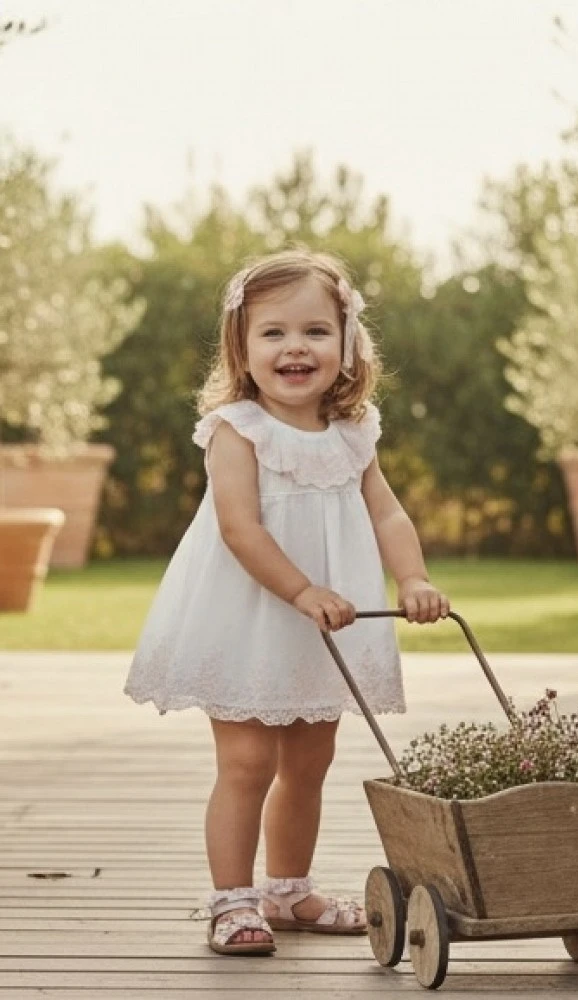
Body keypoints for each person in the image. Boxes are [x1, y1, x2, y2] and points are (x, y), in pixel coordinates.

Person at [124, 248, 449, 955]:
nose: (295, 347)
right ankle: (233, 902)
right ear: (241, 347)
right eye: (273, 333)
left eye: (315, 331)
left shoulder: (355, 433)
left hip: (325, 626)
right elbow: (240, 530)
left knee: (309, 762)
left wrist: (413, 578)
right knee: (247, 763)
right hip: (249, 618)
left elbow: (388, 515)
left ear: (347, 342)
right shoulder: (237, 432)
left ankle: (289, 888)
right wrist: (301, 589)